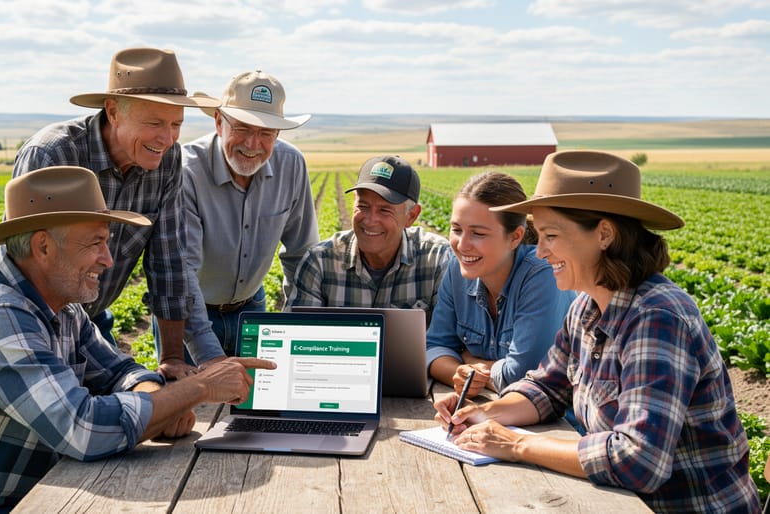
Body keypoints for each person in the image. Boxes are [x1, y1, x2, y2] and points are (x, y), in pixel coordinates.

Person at [0, 166, 274, 513]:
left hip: (21, 497)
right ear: (43, 247)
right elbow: (82, 429)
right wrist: (197, 387)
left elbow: (119, 370)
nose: (108, 259)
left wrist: (160, 400)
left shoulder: (62, 308)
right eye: (95, 243)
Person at [433, 150, 760, 513]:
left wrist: (514, 444)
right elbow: (546, 387)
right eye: (538, 236)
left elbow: (638, 460)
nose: (540, 253)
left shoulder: (657, 318)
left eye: (551, 236)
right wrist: (482, 414)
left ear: (604, 233)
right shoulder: (586, 307)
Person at [11, 47, 226, 381]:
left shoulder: (168, 160)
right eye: (155, 123)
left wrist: (171, 357)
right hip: (32, 322)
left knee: (137, 400)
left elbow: (169, 260)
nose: (167, 138)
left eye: (176, 124)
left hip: (91, 322)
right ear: (113, 112)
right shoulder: (56, 153)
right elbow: (29, 263)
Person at [179, 70, 318, 355]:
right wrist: (209, 357)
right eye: (242, 128)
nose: (252, 144)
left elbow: (302, 255)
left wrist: (296, 328)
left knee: (258, 399)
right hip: (189, 315)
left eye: (265, 133)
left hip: (252, 310)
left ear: (277, 134)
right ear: (219, 123)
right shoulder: (187, 172)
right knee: (193, 398)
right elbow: (183, 273)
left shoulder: (291, 165)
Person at [426, 171, 575, 397]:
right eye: (456, 229)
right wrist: (459, 371)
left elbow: (522, 377)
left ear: (515, 237)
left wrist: (468, 359)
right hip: (496, 408)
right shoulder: (458, 269)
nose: (462, 245)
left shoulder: (542, 274)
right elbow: (433, 348)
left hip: (558, 423)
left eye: (478, 233)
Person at [285, 155, 451, 323]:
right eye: (363, 206)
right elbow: (297, 338)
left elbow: (450, 341)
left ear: (411, 216)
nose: (370, 220)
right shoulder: (320, 262)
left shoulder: (437, 259)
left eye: (384, 210)